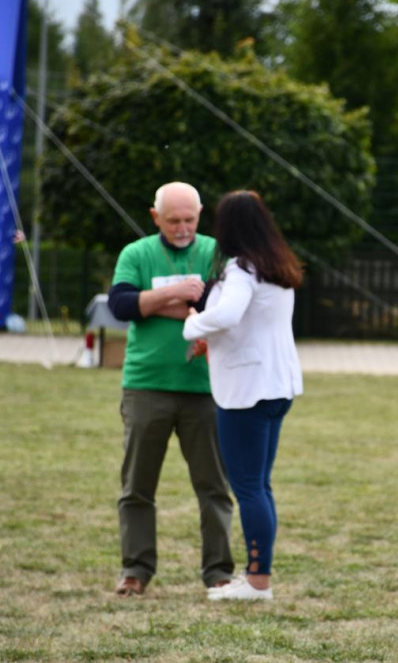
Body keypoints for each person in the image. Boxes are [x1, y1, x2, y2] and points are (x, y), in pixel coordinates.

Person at [106, 181, 235, 597]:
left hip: (205, 388)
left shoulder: (218, 252)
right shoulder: (136, 253)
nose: (182, 228)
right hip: (146, 385)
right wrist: (178, 294)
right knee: (137, 486)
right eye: (173, 220)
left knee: (213, 486)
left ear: (200, 214)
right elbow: (121, 306)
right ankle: (135, 569)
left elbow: (222, 308)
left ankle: (218, 571)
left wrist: (155, 304)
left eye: (189, 219)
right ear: (154, 216)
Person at [183, 190, 304, 601]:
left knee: (249, 487)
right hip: (277, 387)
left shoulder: (241, 268)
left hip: (248, 393)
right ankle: (257, 576)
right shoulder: (276, 265)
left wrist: (193, 323)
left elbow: (230, 314)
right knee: (259, 486)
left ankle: (257, 583)